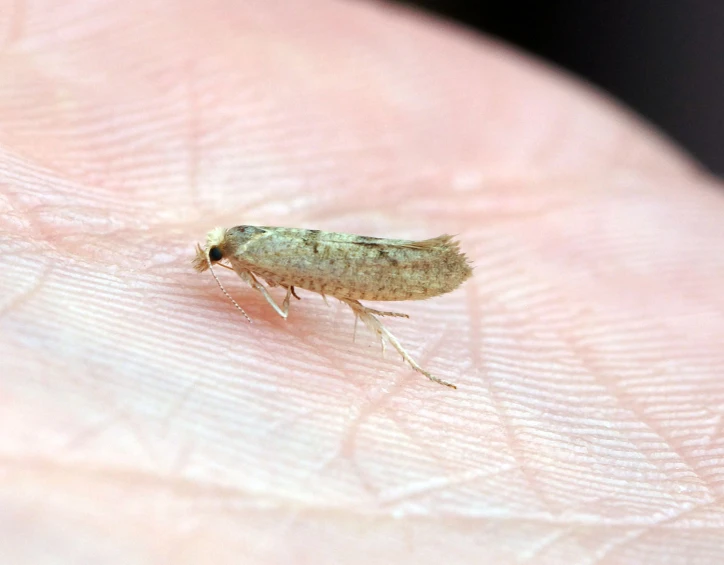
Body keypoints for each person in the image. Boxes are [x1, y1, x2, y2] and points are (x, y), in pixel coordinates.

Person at [1, 1, 722, 563]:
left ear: (226, 255)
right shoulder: (246, 252)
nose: (212, 263)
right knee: (345, 282)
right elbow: (283, 306)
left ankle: (405, 347)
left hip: (348, 263)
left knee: (349, 285)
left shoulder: (255, 254)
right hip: (334, 260)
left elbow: (285, 311)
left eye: (214, 259)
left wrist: (269, 291)